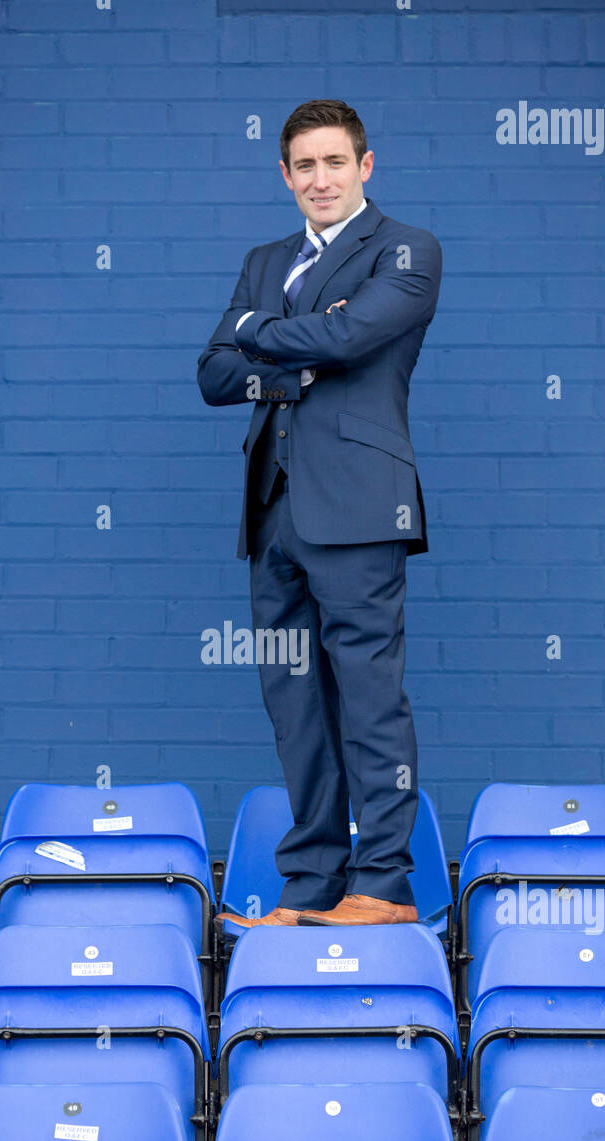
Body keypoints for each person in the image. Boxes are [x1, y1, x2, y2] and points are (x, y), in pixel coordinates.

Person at [197, 99, 442, 928]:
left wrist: (258, 335)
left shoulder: (407, 250)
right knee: (294, 703)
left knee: (369, 698)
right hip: (273, 512)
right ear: (285, 175)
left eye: (335, 163)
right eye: (304, 166)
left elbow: (350, 342)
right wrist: (287, 360)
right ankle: (309, 889)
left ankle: (383, 886)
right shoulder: (267, 259)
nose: (320, 179)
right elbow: (214, 374)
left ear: (364, 166)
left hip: (361, 509)